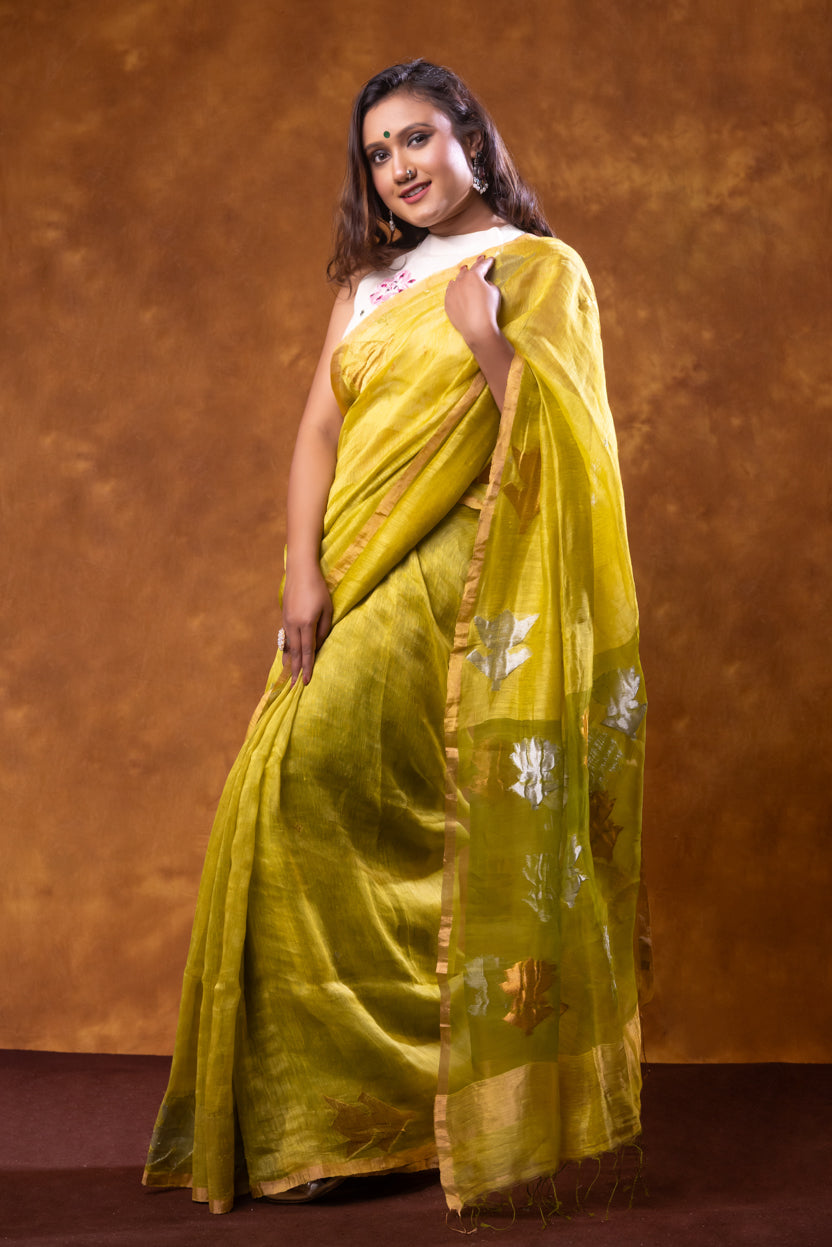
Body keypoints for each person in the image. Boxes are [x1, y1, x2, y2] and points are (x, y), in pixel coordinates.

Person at [143, 58, 649, 1217]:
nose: (400, 168)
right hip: (349, 575)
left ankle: (413, 1112)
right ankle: (344, 1122)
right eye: (378, 153)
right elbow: (318, 429)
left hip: (455, 586)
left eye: (418, 138)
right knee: (322, 820)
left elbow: (570, 452)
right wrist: (302, 575)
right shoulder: (368, 286)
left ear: (470, 137)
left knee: (341, 804)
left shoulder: (538, 270)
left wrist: (487, 340)